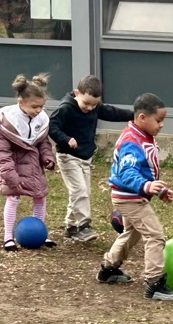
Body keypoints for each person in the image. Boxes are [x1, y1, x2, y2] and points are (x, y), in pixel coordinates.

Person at [96, 93, 173, 302]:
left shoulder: (141, 136)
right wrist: (146, 185)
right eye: (158, 120)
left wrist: (157, 190)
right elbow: (127, 173)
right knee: (154, 234)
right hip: (129, 199)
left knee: (131, 234)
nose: (161, 125)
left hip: (133, 195)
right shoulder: (131, 141)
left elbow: (144, 171)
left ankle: (107, 269)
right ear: (142, 117)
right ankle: (154, 283)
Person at [48, 75, 133, 242]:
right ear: (76, 93)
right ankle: (83, 226)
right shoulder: (66, 108)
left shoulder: (94, 107)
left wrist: (134, 115)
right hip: (68, 156)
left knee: (82, 192)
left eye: (94, 104)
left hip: (85, 158)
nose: (89, 108)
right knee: (79, 191)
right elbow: (52, 126)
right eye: (86, 103)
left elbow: (111, 112)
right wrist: (65, 139)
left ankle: (71, 227)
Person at [0, 73, 57, 252]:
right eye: (34, 106)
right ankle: (8, 237)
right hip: (13, 167)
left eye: (41, 106)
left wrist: (47, 158)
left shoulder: (41, 119)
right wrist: (10, 176)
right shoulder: (7, 123)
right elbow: (1, 153)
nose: (38, 110)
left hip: (33, 166)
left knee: (40, 196)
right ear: (21, 102)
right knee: (13, 197)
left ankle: (39, 232)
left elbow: (43, 142)